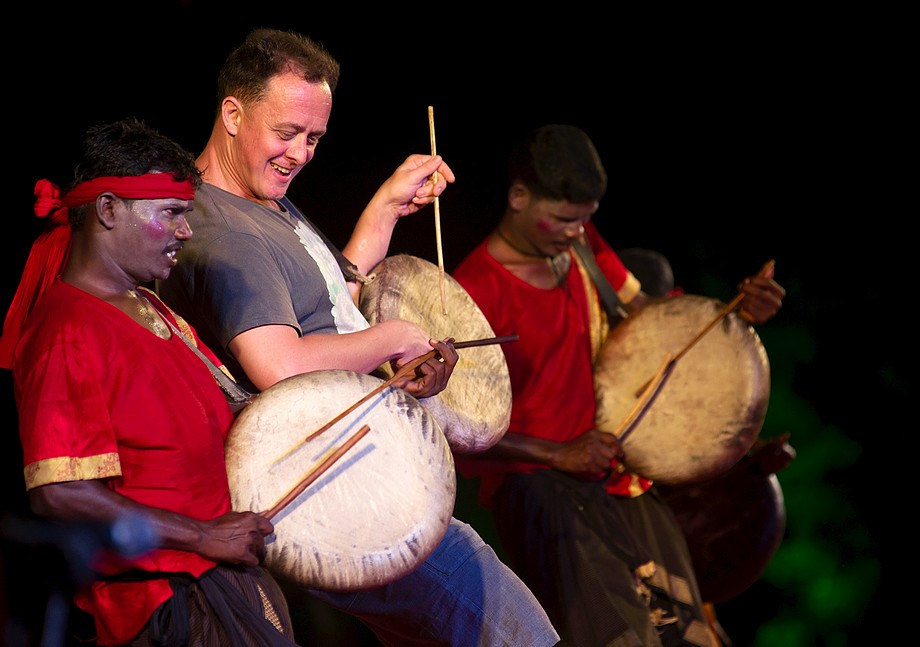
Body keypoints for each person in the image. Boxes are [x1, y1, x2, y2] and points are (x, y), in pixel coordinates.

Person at [157, 28, 560, 647]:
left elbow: (333, 307)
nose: (301, 153)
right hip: (336, 488)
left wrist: (385, 208)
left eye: (314, 137)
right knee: (519, 634)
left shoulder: (261, 202)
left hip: (359, 471)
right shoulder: (225, 233)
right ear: (232, 113)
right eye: (286, 132)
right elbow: (281, 363)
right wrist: (393, 337)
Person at [451, 124, 786, 647]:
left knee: (693, 637)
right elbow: (458, 427)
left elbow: (647, 318)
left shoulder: (581, 244)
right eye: (563, 218)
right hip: (540, 491)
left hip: (616, 477)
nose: (574, 231)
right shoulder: (473, 289)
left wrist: (733, 315)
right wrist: (559, 454)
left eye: (585, 219)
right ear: (518, 197)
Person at [1, 118, 299, 647]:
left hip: (215, 573)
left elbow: (235, 408)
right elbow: (61, 491)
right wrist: (203, 535)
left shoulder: (147, 305)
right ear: (109, 209)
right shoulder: (68, 330)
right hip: (167, 598)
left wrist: (381, 392)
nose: (186, 231)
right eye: (171, 214)